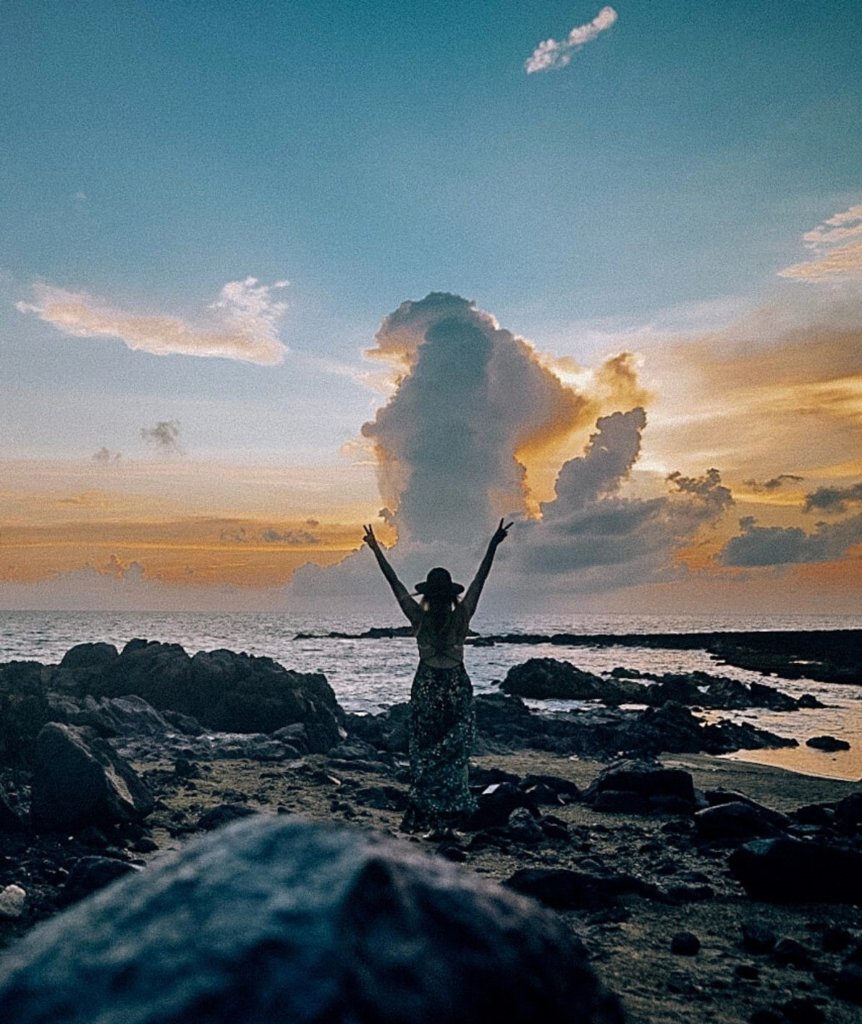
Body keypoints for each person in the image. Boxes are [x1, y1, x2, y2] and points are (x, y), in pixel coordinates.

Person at [363, 519, 512, 833]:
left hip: (430, 687)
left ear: (428, 595)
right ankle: (447, 820)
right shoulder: (461, 615)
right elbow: (479, 580)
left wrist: (377, 549)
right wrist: (491, 547)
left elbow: (395, 584)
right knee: (453, 754)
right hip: (454, 686)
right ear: (449, 596)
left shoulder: (418, 616)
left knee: (426, 752)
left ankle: (431, 819)